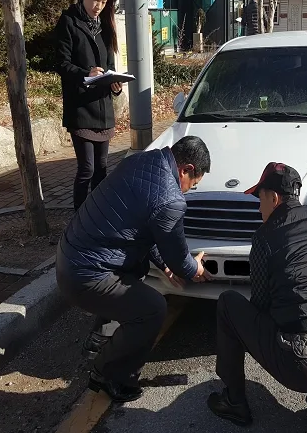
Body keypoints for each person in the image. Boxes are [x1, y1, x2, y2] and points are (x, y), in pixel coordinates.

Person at [56, 136, 214, 402]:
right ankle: (106, 373)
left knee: (139, 272)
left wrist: (164, 264)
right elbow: (177, 253)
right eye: (192, 184)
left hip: (69, 257)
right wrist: (193, 269)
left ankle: (99, 337)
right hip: (87, 275)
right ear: (186, 169)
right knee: (152, 309)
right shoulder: (170, 198)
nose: (186, 191)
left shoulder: (140, 161)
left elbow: (144, 230)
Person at [207, 163, 307, 427]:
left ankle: (234, 401)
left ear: (274, 198)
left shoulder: (265, 236)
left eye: (260, 198)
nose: (258, 207)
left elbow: (262, 305)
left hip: (301, 367)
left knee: (228, 304)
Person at [55, 0, 123, 210]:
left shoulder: (105, 26)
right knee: (87, 168)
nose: (99, 6)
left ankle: (97, 217)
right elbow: (61, 64)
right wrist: (85, 74)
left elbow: (110, 66)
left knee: (102, 169)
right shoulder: (68, 22)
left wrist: (114, 84)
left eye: (104, 2)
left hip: (103, 110)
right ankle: (79, 220)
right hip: (81, 108)